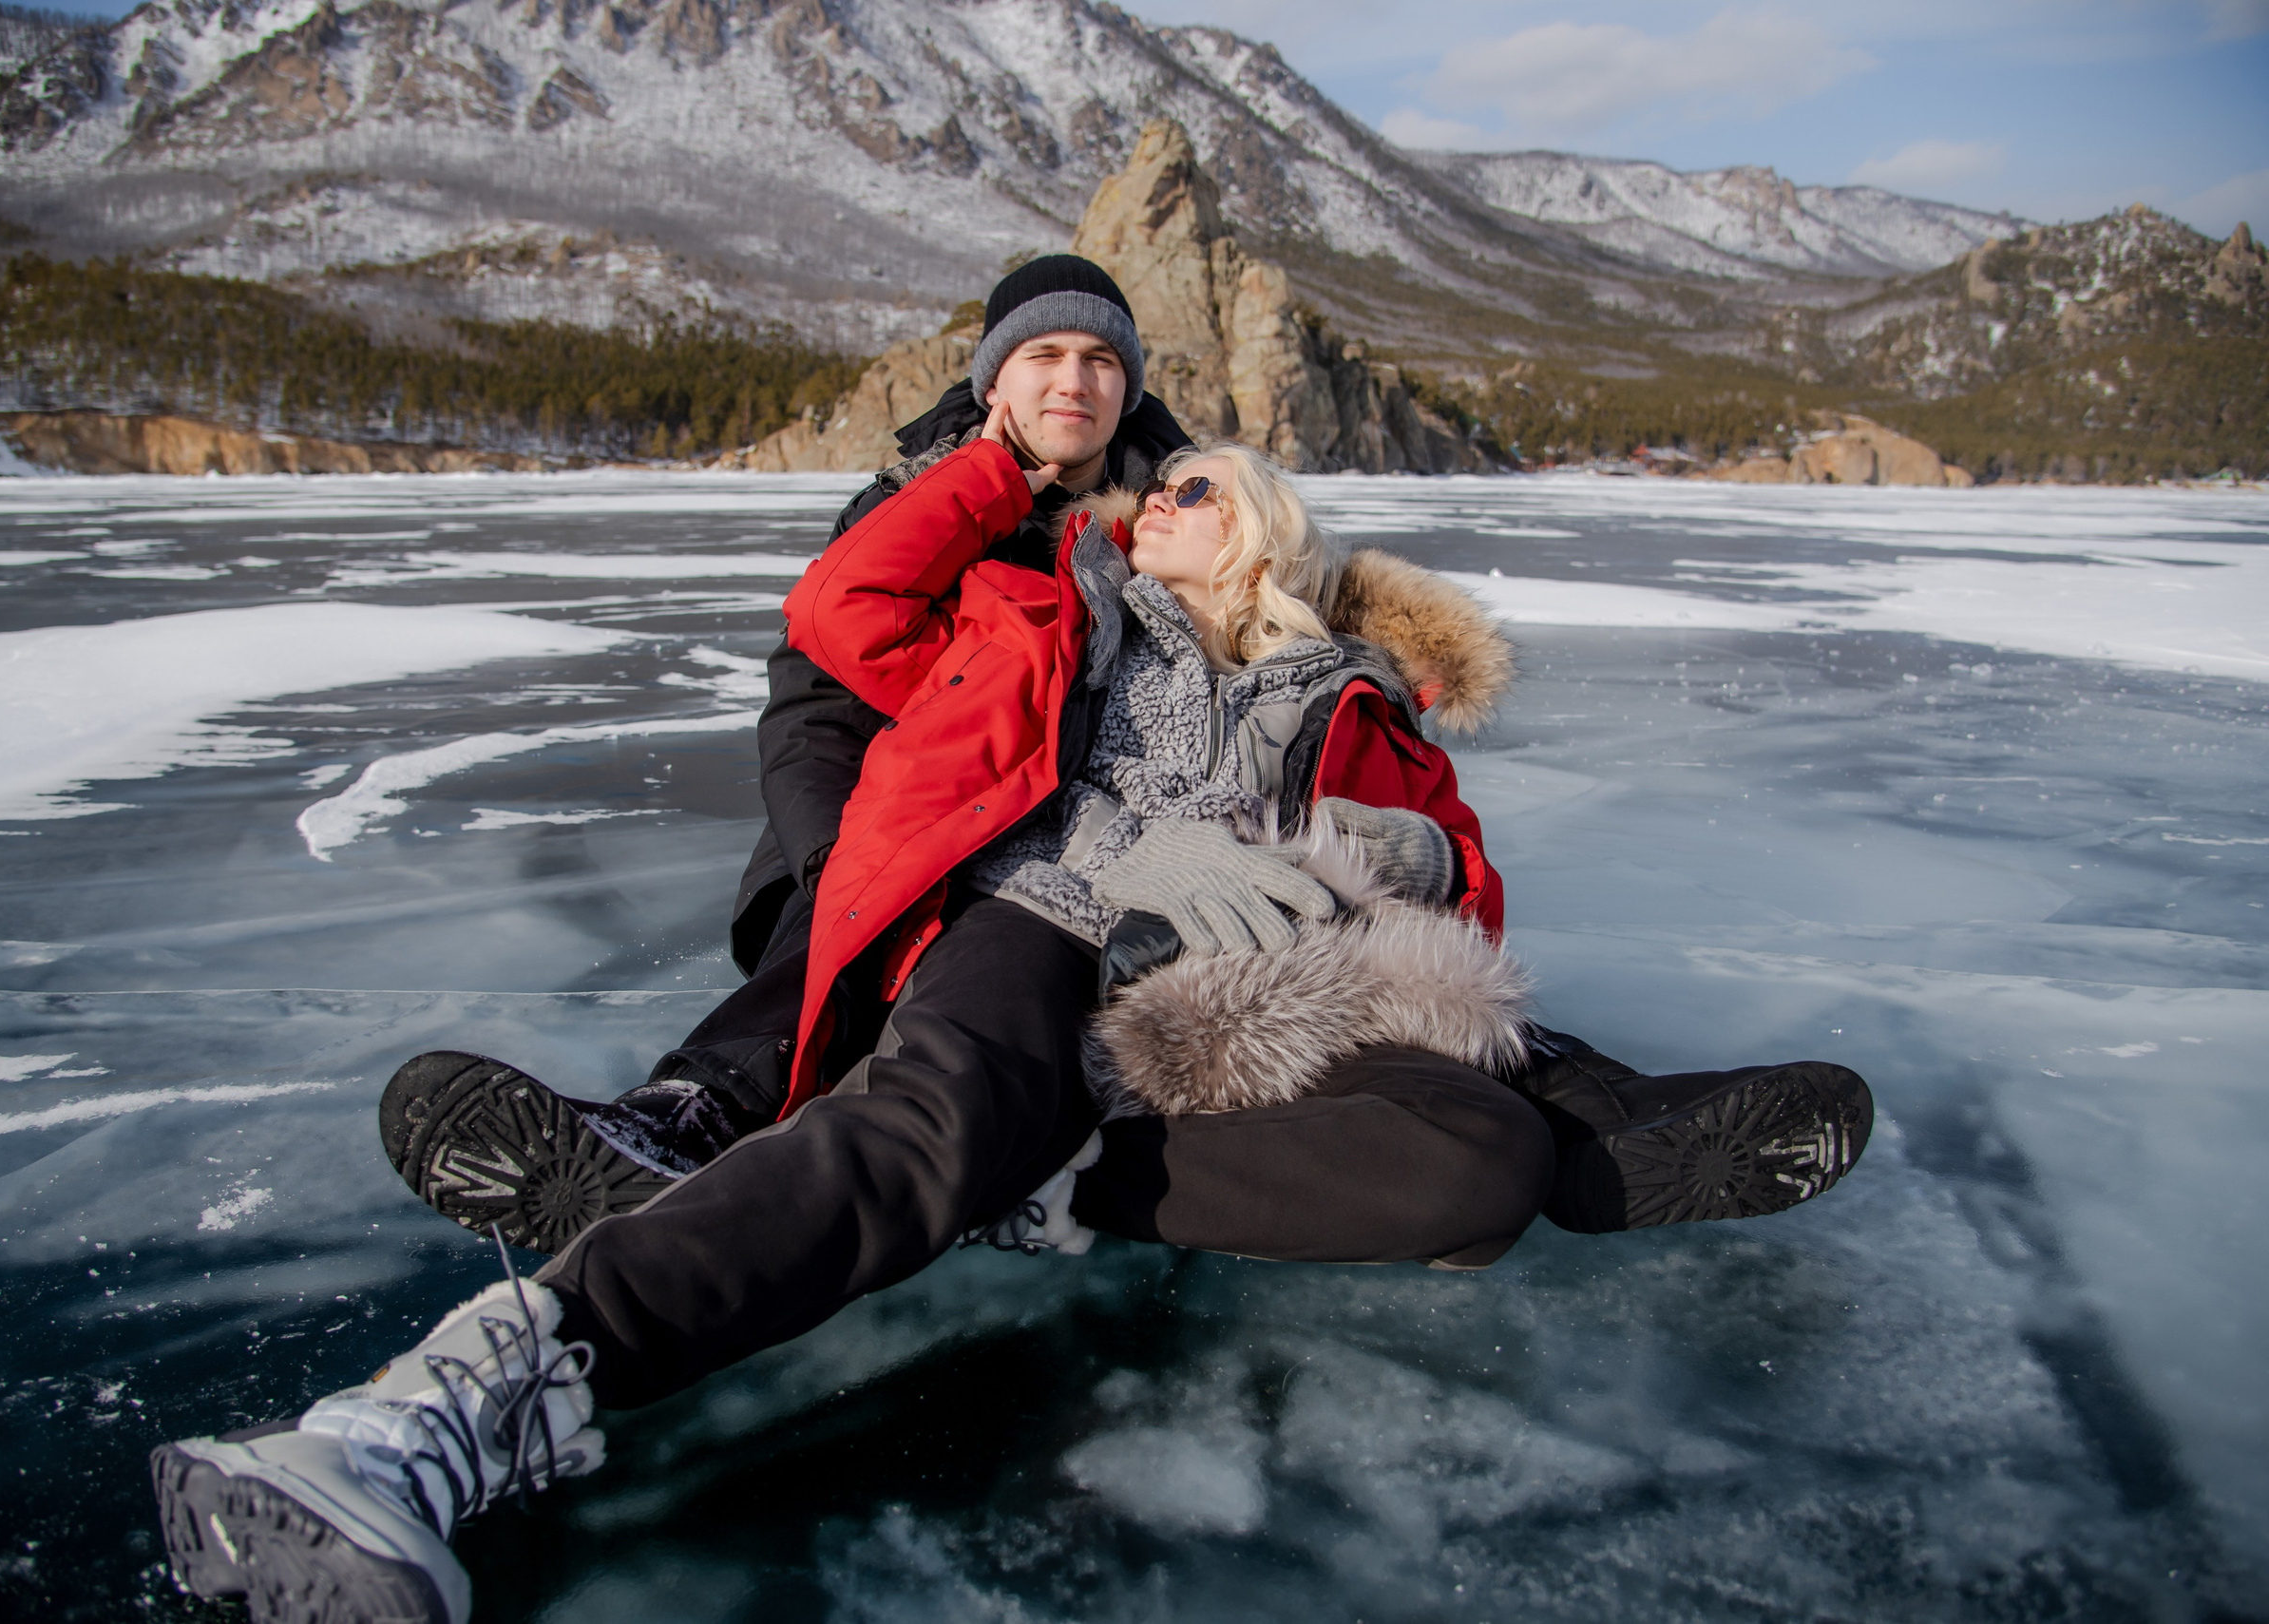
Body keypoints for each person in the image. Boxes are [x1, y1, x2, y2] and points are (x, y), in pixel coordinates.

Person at [148, 258, 1872, 1624]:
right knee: (920, 1129)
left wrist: (1400, 842)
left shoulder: (1348, 689)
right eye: (1140, 480)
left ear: (1260, 527)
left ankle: (1053, 1189)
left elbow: (1466, 896)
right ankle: (435, 1416)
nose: (1147, 493)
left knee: (1482, 1157)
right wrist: (1086, 840)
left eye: (1184, 480)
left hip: (1237, 983)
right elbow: (840, 626)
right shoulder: (1046, 596)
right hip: (1040, 911)